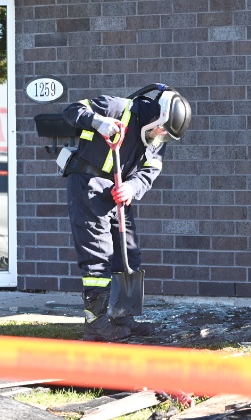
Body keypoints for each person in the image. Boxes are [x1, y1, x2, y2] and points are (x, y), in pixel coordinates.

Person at [62, 84, 191, 341]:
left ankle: (122, 316)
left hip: (120, 194)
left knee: (128, 253)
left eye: (166, 135)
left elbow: (150, 171)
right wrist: (99, 123)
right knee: (98, 256)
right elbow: (71, 110)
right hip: (89, 188)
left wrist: (132, 188)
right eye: (161, 130)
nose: (160, 137)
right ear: (157, 116)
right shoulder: (116, 107)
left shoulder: (156, 137)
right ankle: (95, 323)